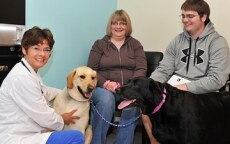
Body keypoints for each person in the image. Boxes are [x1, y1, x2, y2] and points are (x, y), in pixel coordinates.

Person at [143, 0, 230, 143]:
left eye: (190, 16)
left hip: (200, 92)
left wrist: (185, 88)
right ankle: (155, 141)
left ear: (203, 17)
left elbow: (217, 79)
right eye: (182, 16)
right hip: (175, 89)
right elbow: (164, 69)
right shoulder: (177, 41)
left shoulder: (218, 42)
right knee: (145, 104)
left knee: (183, 112)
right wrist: (149, 86)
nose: (185, 20)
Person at [0, 26, 84, 144]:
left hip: (28, 133)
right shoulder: (22, 77)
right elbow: (44, 116)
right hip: (17, 138)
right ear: (24, 50)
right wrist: (63, 119)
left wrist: (68, 93)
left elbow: (44, 91)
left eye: (46, 49)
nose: (42, 54)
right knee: (76, 137)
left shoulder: (28, 70)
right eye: (36, 48)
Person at [87, 9, 147, 144]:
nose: (118, 27)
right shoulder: (99, 44)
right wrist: (106, 83)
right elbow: (91, 70)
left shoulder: (135, 44)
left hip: (128, 88)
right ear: (110, 25)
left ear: (128, 26)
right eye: (115, 23)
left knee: (133, 102)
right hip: (104, 89)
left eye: (122, 23)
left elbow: (141, 68)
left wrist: (131, 87)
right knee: (106, 100)